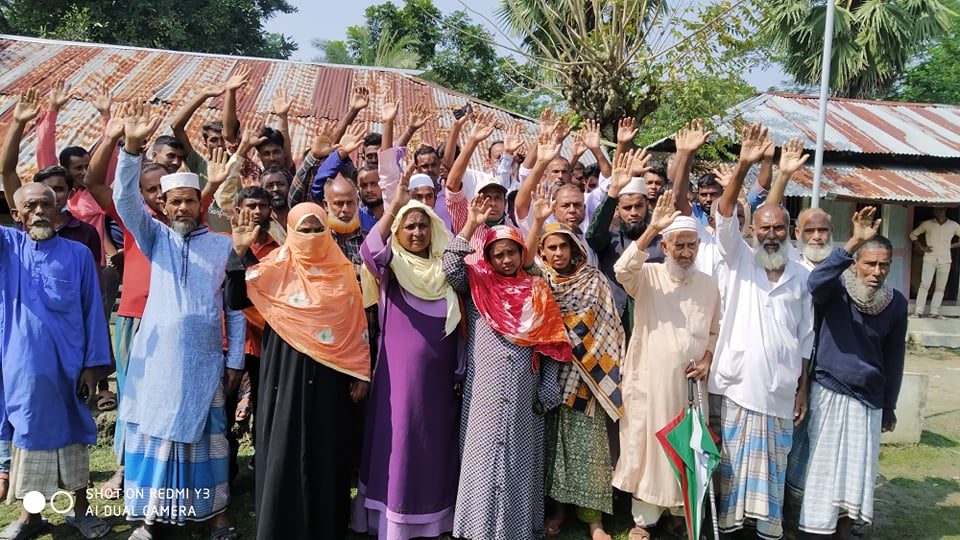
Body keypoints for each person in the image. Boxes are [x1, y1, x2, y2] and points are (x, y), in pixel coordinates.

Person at [113, 103, 244, 540]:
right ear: (165, 207)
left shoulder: (223, 247)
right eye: (176, 202)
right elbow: (123, 200)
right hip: (160, 367)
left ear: (200, 204)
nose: (183, 208)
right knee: (157, 436)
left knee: (208, 440)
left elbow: (234, 308)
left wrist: (235, 363)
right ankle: (149, 521)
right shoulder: (155, 240)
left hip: (206, 361)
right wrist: (131, 149)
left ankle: (214, 517)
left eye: (190, 200)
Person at [226, 202, 371, 539]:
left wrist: (361, 373)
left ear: (327, 231)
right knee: (284, 451)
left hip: (331, 382)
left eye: (317, 229)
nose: (311, 236)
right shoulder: (275, 268)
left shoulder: (344, 272)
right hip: (284, 377)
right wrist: (239, 250)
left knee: (326, 453)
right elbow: (236, 299)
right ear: (291, 232)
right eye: (303, 230)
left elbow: (355, 328)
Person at [444, 194, 573, 540]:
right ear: (487, 256)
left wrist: (548, 385)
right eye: (497, 254)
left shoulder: (536, 290)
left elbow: (549, 344)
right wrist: (470, 224)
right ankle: (475, 528)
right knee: (482, 456)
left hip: (524, 389)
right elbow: (451, 268)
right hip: (484, 388)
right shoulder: (477, 285)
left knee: (519, 457)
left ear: (521, 255)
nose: (504, 260)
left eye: (511, 253)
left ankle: (517, 528)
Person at [710, 123, 815, 540]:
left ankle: (769, 529)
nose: (769, 234)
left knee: (774, 464)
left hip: (782, 389)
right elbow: (724, 212)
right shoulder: (739, 260)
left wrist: (803, 388)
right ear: (751, 231)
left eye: (777, 228)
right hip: (740, 386)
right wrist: (744, 165)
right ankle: (732, 529)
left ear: (788, 233)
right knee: (733, 466)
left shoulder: (802, 276)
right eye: (763, 228)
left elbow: (805, 337)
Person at [352, 175, 464, 538]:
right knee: (400, 438)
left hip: (441, 376)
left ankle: (436, 519)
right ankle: (394, 522)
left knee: (434, 441)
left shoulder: (443, 269)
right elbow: (368, 250)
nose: (416, 232)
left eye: (422, 226)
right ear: (398, 231)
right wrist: (395, 205)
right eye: (409, 226)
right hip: (399, 377)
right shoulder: (391, 265)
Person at [0, 183, 112, 540]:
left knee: (74, 438)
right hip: (25, 369)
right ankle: (31, 517)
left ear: (59, 208)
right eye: (29, 207)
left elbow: (93, 310)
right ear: (16, 215)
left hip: (71, 367)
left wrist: (93, 366)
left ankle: (81, 511)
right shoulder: (9, 249)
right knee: (31, 439)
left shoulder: (77, 253)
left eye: (45, 205)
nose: (38, 213)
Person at [612, 191, 721, 540]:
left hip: (691, 387)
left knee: (688, 444)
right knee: (650, 447)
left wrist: (706, 359)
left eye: (692, 245)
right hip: (652, 382)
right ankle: (644, 520)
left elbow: (716, 331)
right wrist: (652, 227)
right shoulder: (648, 275)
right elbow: (620, 269)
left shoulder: (709, 285)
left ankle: (680, 510)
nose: (686, 252)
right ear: (665, 245)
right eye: (679, 245)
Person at [799, 208, 908, 539]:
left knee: (858, 469)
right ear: (856, 264)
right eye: (870, 263)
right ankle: (816, 528)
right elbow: (814, 281)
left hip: (869, 398)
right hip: (830, 388)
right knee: (824, 466)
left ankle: (847, 526)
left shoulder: (897, 302)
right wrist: (854, 241)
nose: (876, 271)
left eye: (884, 265)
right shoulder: (836, 289)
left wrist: (889, 406)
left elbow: (894, 358)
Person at [536, 218, 625, 540]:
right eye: (552, 248)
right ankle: (558, 509)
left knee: (589, 447)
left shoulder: (594, 280)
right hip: (551, 374)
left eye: (564, 246)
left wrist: (588, 356)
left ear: (574, 249)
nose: (558, 253)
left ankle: (593, 520)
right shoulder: (540, 281)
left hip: (589, 374)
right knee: (553, 446)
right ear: (542, 253)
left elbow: (608, 328)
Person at [586, 149, 662, 340]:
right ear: (618, 210)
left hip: (654, 321)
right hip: (614, 323)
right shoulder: (609, 239)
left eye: (639, 206)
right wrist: (612, 193)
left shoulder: (661, 242)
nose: (634, 212)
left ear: (647, 206)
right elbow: (593, 235)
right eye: (627, 208)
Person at [909, 207, 960, 319]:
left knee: (940, 287)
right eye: (937, 210)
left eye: (941, 209)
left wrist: (951, 246)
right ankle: (918, 311)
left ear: (946, 210)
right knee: (924, 285)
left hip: (945, 259)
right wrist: (922, 248)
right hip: (929, 258)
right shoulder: (927, 224)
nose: (939, 211)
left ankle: (934, 312)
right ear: (933, 211)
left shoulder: (953, 225)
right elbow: (913, 235)